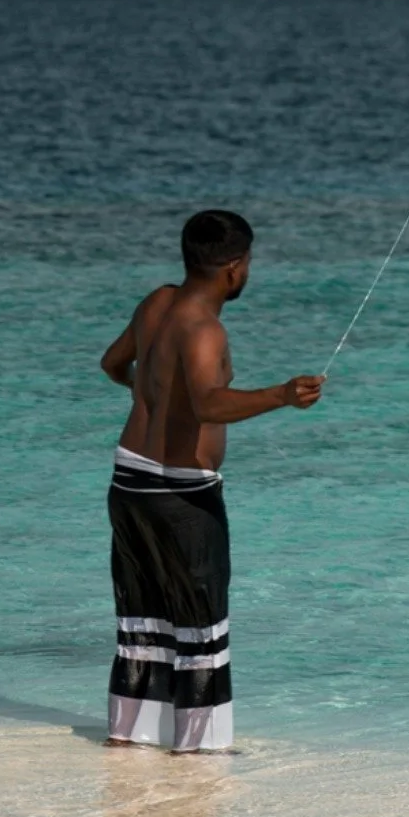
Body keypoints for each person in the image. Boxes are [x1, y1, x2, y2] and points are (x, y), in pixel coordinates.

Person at [100, 210, 324, 751]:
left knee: (143, 628)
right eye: (248, 264)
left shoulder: (156, 302)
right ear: (233, 267)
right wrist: (282, 395)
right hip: (182, 495)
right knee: (201, 634)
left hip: (129, 483)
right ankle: (197, 753)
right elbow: (209, 403)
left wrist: (149, 394)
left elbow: (111, 364)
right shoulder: (205, 329)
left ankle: (127, 739)